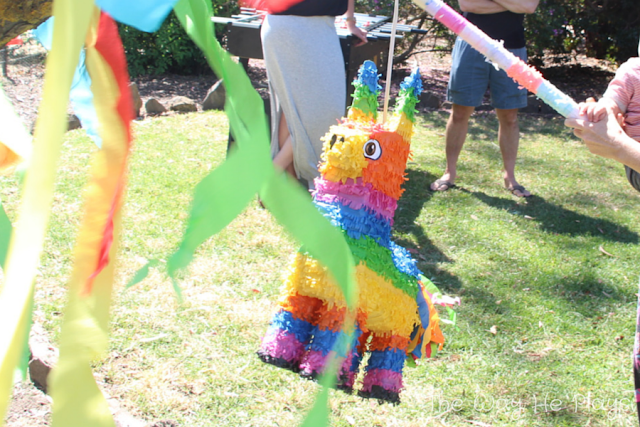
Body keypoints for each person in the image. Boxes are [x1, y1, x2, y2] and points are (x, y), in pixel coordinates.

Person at [430, 0, 539, 197]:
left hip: (512, 48)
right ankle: (449, 173)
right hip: (471, 42)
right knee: (460, 112)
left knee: (509, 117)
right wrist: (512, 4)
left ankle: (510, 177)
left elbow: (529, 6)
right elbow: (467, 4)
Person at [261, 0, 367, 189]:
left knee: (294, 108)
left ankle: (282, 181)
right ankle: (274, 176)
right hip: (294, 26)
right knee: (320, 111)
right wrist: (350, 21)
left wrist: (350, 21)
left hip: (309, 27)